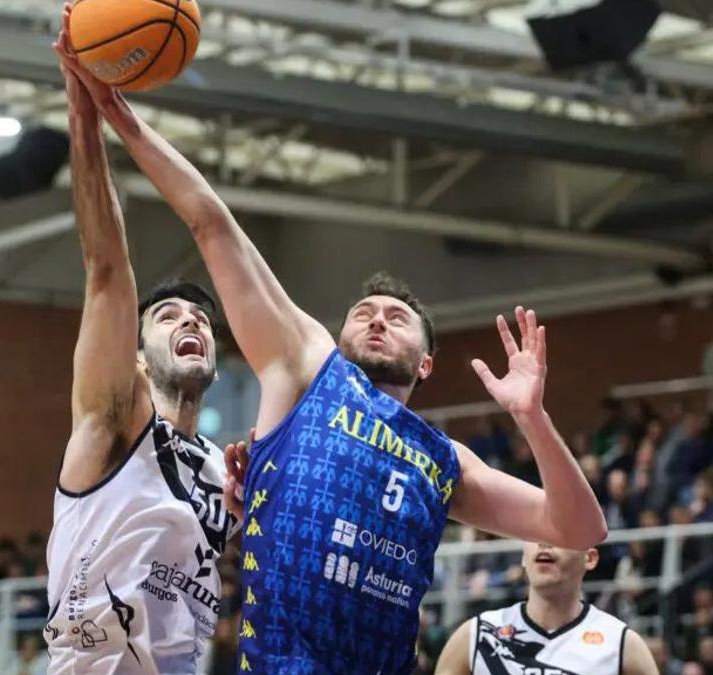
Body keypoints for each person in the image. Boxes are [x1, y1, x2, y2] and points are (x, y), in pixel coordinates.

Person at [53, 13, 608, 673]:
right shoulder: (309, 370)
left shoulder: (444, 462)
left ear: (427, 362)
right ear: (338, 337)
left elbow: (581, 529)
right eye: (363, 312)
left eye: (397, 317)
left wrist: (533, 419)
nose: (377, 319)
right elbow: (211, 224)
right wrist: (119, 117)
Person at [42, 18, 243, 673]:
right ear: (134, 357)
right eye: (168, 316)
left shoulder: (222, 471)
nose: (191, 322)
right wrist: (85, 115)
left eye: (201, 318)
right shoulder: (114, 417)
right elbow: (105, 271)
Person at [434, 544, 658, 675]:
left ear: (589, 558)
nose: (544, 542)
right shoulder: (478, 634)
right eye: (535, 532)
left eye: (559, 532)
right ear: (523, 557)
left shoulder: (621, 643)